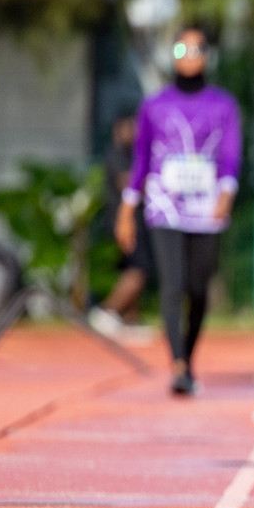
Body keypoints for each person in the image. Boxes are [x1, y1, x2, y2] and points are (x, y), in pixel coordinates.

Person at [115, 27, 241, 395]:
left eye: (197, 47)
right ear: (173, 54)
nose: (189, 53)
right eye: (182, 47)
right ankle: (179, 365)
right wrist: (128, 206)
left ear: (207, 55)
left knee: (197, 288)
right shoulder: (154, 105)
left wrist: (226, 192)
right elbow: (140, 159)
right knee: (172, 284)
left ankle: (189, 353)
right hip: (164, 206)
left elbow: (231, 154)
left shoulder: (223, 105)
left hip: (206, 208)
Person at [88, 114, 154, 344]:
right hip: (123, 222)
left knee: (133, 268)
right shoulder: (114, 155)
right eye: (129, 126)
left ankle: (130, 320)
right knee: (139, 269)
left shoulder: (137, 155)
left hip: (140, 221)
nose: (134, 131)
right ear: (118, 128)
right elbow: (129, 181)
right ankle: (106, 311)